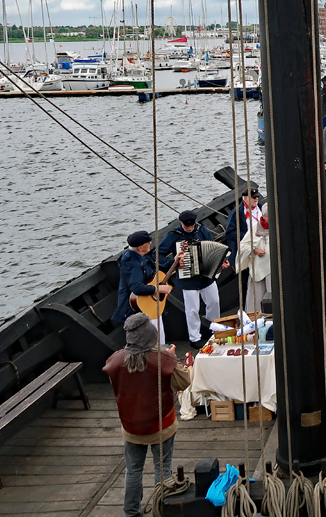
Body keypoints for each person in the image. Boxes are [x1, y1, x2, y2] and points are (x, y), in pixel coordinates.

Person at [104, 312, 192, 517]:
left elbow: (116, 382)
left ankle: (131, 512)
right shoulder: (163, 360)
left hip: (132, 428)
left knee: (133, 470)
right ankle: (162, 510)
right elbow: (183, 382)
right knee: (163, 468)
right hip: (161, 425)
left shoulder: (115, 360)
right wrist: (172, 358)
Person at [158, 211, 220, 345]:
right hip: (187, 279)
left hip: (206, 276)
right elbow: (159, 255)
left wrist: (220, 262)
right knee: (192, 310)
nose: (190, 228)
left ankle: (214, 330)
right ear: (181, 223)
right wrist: (174, 262)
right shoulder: (174, 235)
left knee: (214, 302)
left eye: (191, 226)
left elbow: (214, 249)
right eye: (187, 226)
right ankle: (195, 338)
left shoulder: (202, 230)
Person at [112, 230, 174, 345]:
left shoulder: (142, 256)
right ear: (140, 248)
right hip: (139, 306)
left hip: (149, 302)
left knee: (159, 333)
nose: (151, 243)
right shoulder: (132, 263)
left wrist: (175, 262)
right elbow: (137, 287)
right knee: (154, 338)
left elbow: (157, 269)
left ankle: (162, 354)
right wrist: (159, 289)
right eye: (148, 242)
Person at [236, 210, 272, 312]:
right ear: (264, 217)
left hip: (272, 268)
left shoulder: (278, 226)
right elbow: (243, 245)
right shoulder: (255, 227)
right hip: (258, 268)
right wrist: (254, 250)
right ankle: (254, 319)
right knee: (256, 298)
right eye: (269, 216)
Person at [223, 186, 262, 270]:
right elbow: (230, 233)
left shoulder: (262, 209)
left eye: (257, 197)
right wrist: (248, 237)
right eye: (254, 197)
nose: (256, 199)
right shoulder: (237, 213)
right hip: (245, 250)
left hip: (261, 248)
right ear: (245, 198)